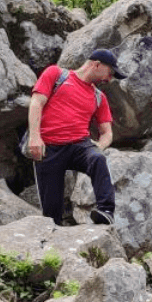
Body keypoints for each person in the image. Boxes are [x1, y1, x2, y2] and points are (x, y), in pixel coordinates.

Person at [26, 49, 126, 226]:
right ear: (96, 64)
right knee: (51, 215)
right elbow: (36, 102)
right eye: (110, 73)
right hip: (48, 148)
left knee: (97, 158)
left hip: (79, 146)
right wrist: (34, 137)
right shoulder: (56, 74)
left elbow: (107, 133)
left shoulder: (99, 97)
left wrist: (99, 146)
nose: (109, 79)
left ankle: (106, 211)